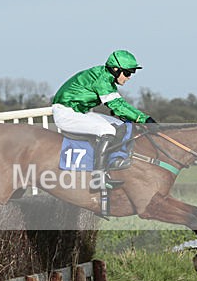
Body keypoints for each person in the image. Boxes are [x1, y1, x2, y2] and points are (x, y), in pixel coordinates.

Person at [51, 49, 157, 186]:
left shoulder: (106, 76)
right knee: (108, 130)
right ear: (115, 69)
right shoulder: (103, 79)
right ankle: (98, 177)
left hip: (79, 112)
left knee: (121, 125)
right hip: (66, 113)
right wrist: (144, 119)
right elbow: (116, 104)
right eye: (128, 72)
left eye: (132, 73)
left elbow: (117, 105)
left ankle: (112, 161)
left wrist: (128, 116)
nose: (129, 76)